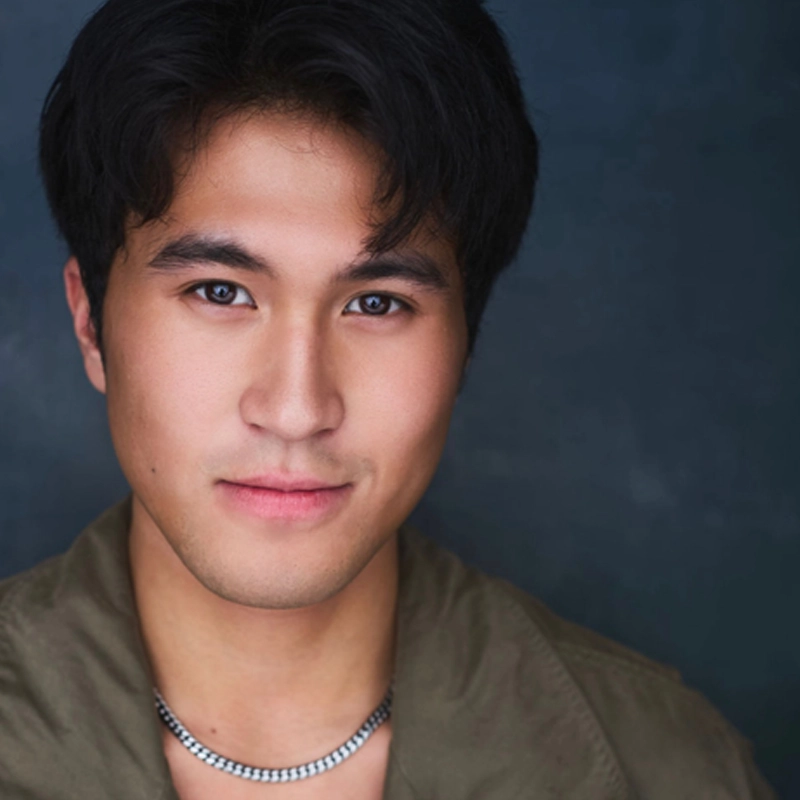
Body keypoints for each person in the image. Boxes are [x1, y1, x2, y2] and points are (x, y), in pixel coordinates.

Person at [0, 0, 775, 797]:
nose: (297, 409)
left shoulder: (668, 766)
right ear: (91, 324)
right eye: (220, 292)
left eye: (377, 304)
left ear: (465, 342)